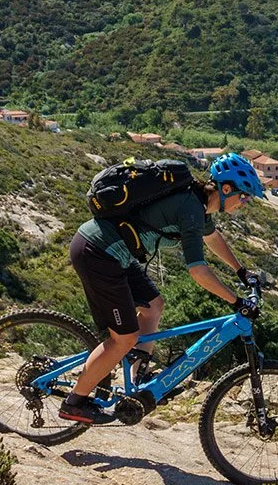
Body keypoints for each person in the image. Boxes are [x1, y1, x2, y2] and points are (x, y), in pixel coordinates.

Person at [60, 153, 266, 424]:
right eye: (244, 196)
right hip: (98, 253)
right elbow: (198, 271)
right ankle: (75, 401)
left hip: (114, 253)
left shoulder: (199, 203)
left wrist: (241, 271)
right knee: (124, 337)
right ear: (226, 189)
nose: (244, 203)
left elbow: (212, 237)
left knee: (153, 306)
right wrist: (236, 301)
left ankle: (139, 375)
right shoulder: (190, 208)